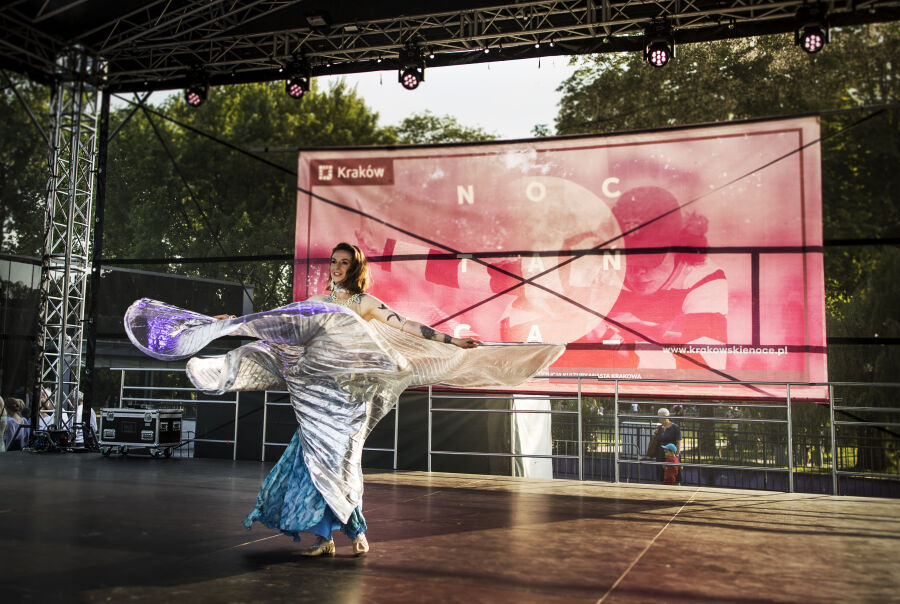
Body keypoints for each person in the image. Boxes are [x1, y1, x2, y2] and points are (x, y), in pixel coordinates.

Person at [124, 242, 564, 557]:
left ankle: (357, 533)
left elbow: (407, 325)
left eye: (343, 263)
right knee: (309, 463)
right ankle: (325, 539)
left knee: (342, 461)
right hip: (319, 396)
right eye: (333, 262)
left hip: (349, 399)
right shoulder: (319, 301)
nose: (336, 268)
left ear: (355, 268)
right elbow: (278, 320)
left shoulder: (363, 303)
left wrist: (451, 340)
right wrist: (230, 322)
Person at [654, 407, 682, 482]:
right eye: (660, 417)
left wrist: (677, 454)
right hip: (661, 454)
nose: (661, 419)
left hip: (672, 454)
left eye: (663, 417)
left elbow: (678, 441)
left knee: (674, 475)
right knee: (662, 475)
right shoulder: (659, 428)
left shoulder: (675, 427)